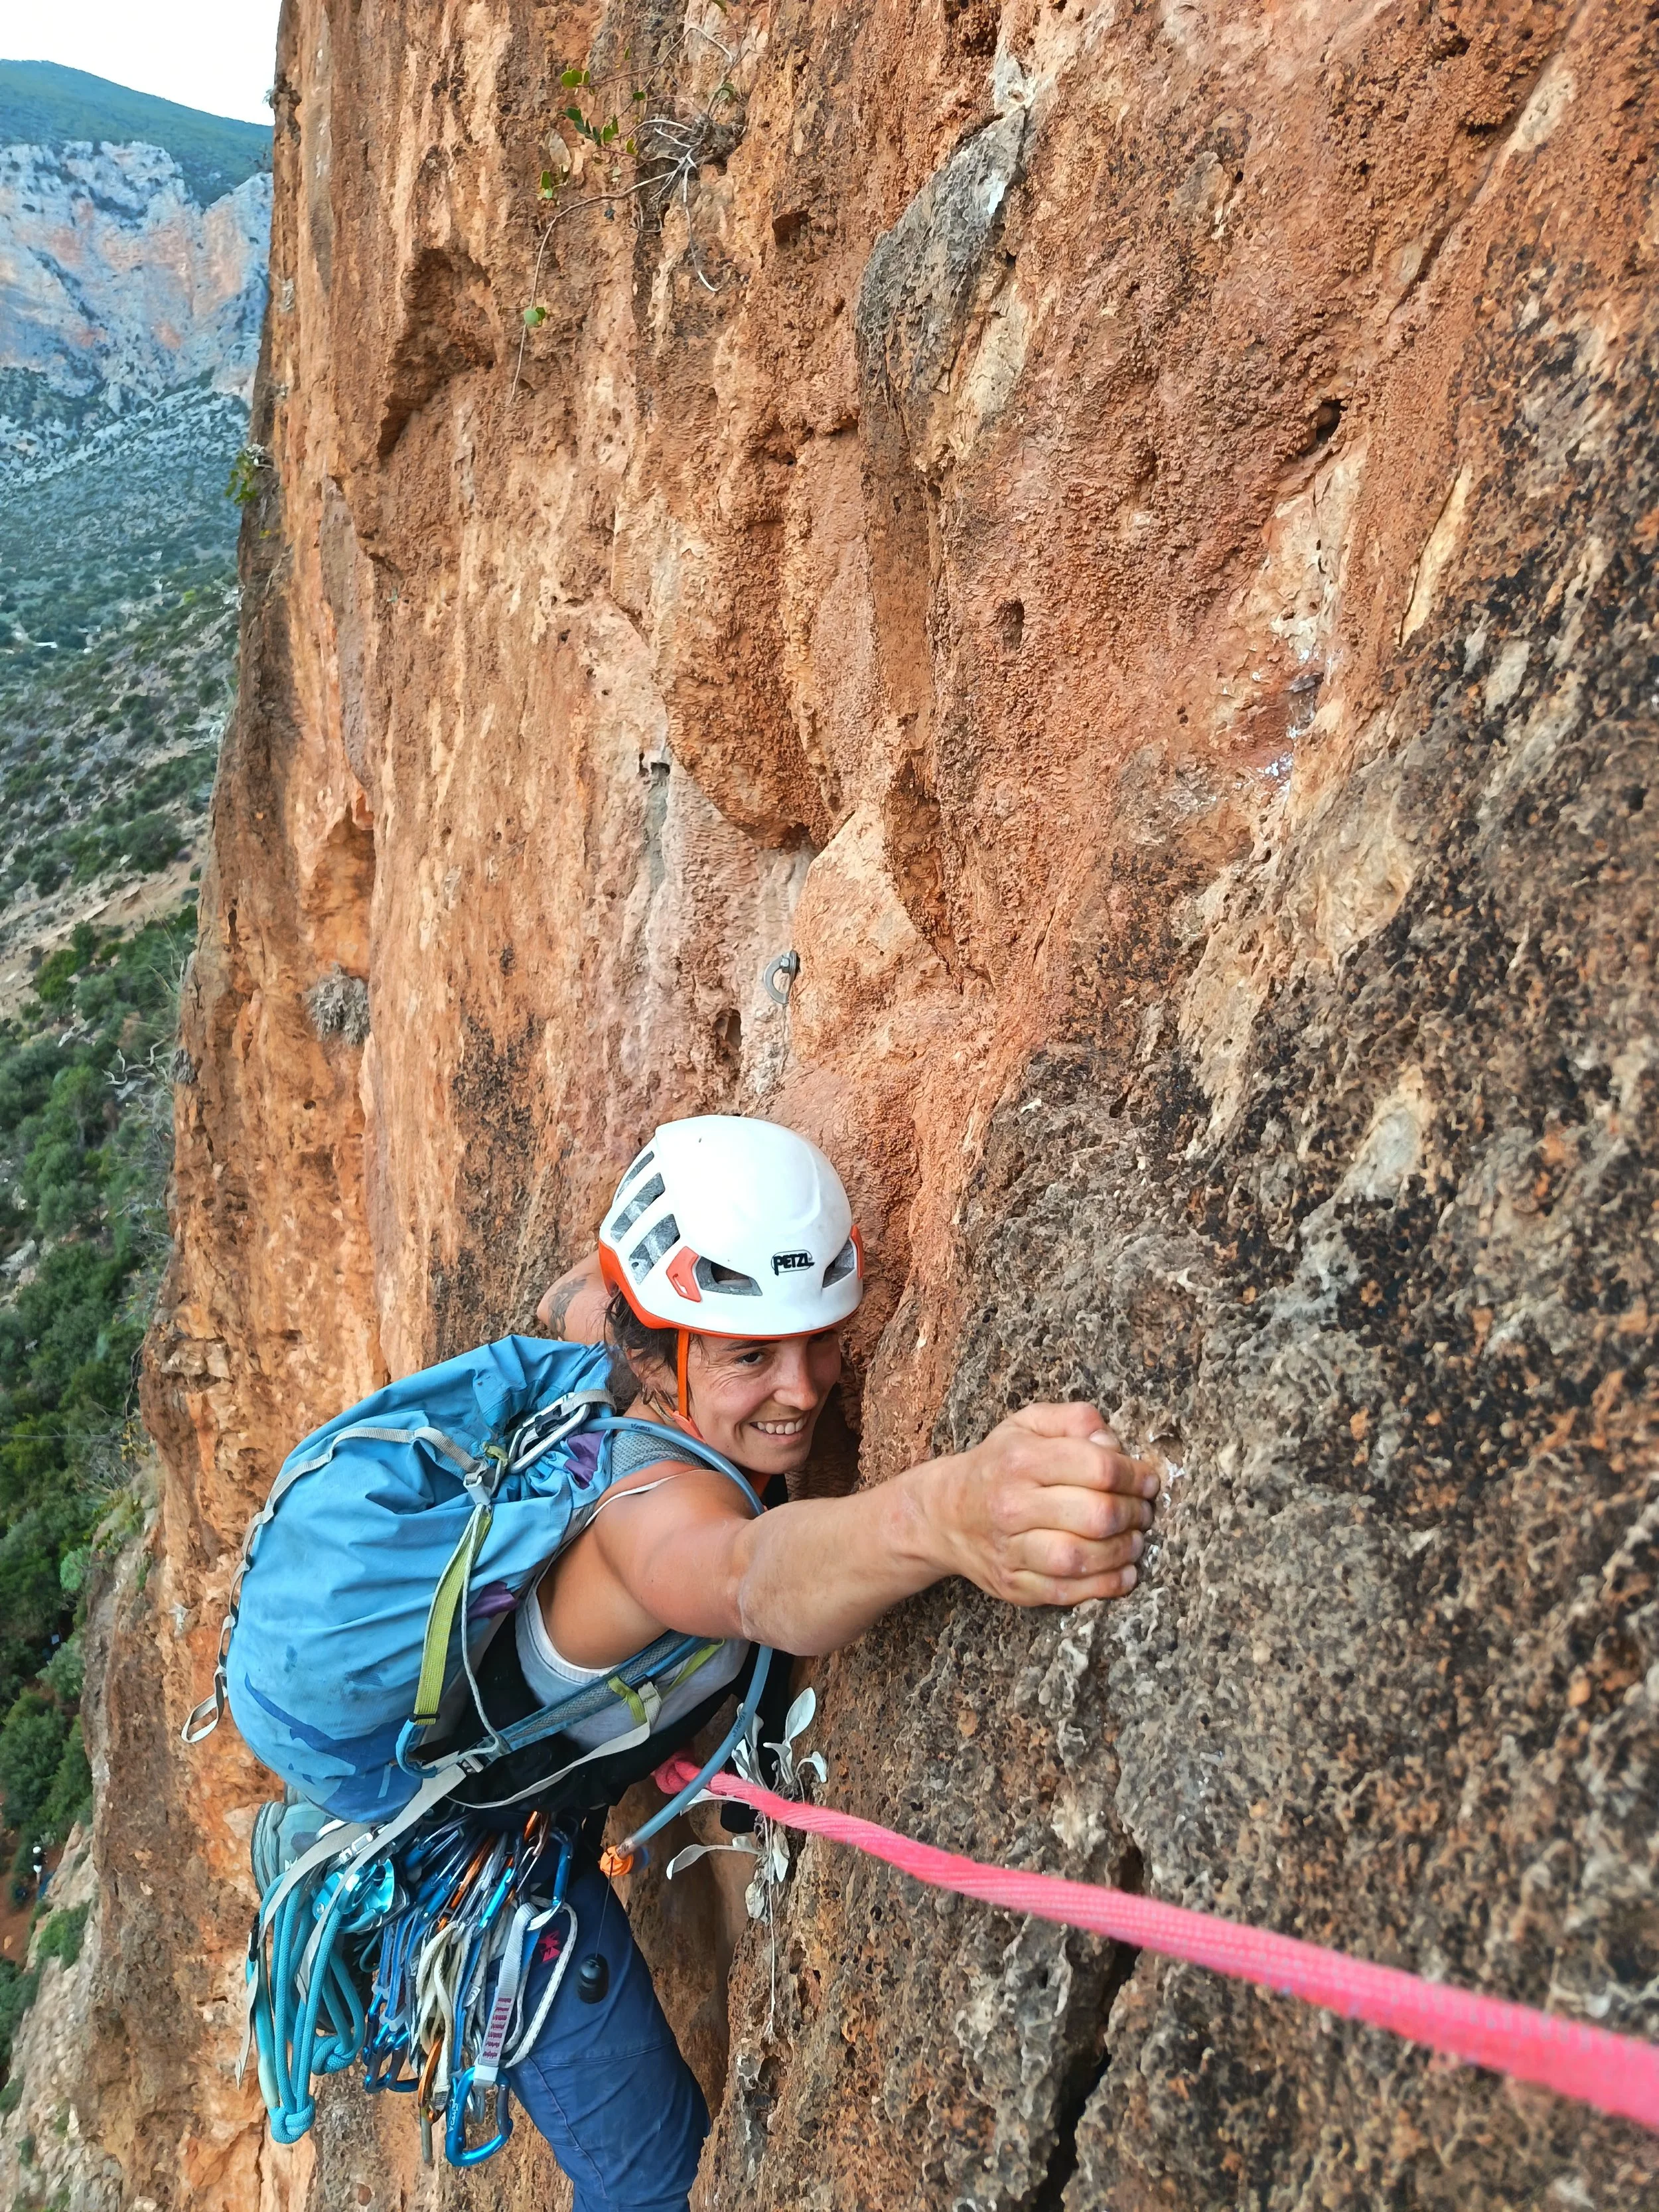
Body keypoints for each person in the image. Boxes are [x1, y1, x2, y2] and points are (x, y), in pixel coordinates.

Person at [495, 1114, 1158, 2212]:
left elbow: (572, 1296)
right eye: (752, 1356)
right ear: (658, 1353)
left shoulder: (618, 1347)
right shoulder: (645, 1516)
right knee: (655, 2189)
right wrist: (946, 1515)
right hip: (476, 1861)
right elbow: (750, 1575)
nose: (803, 1391)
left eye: (820, 1340)